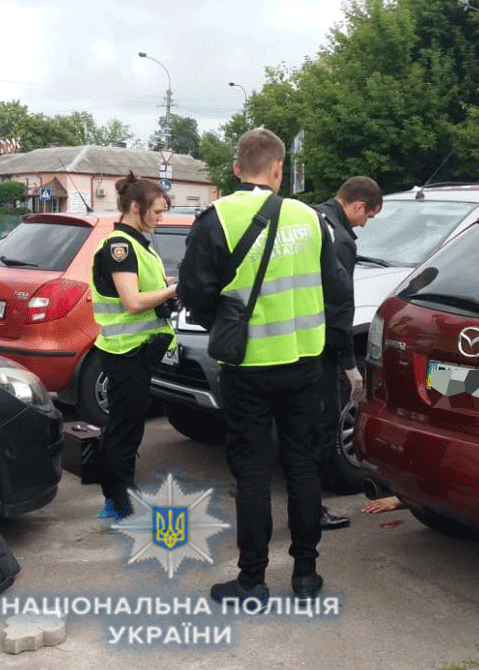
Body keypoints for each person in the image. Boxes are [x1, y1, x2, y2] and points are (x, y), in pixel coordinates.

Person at [178, 128, 352, 604]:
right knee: (303, 466)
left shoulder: (216, 218)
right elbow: (338, 291)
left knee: (252, 473)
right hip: (304, 365)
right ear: (279, 169)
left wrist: (224, 317)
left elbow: (192, 293)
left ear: (237, 169)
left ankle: (252, 578)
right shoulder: (313, 220)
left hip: (247, 366)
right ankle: (305, 576)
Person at [90, 172, 178, 520]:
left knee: (126, 427)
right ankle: (119, 504)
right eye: (156, 211)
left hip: (135, 350)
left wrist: (166, 287)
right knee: (124, 431)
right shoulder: (120, 246)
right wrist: (174, 290)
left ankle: (118, 497)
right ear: (135, 207)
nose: (160, 217)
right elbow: (133, 301)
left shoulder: (137, 243)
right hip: (126, 351)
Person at [313, 176, 383, 529]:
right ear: (357, 206)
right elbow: (340, 306)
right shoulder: (339, 240)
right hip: (322, 349)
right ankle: (312, 510)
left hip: (295, 342)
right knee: (321, 428)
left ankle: (304, 506)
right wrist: (348, 364)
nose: (365, 223)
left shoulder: (312, 219)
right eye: (367, 216)